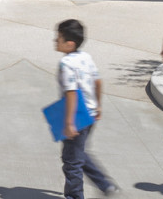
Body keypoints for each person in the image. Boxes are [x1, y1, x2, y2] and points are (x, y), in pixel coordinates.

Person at [55, 18, 117, 198]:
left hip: (76, 117)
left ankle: (75, 196)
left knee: (71, 161)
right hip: (89, 114)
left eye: (58, 38)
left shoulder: (66, 64)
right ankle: (105, 184)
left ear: (69, 43)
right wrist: (98, 106)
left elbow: (71, 93)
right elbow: (98, 82)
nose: (55, 41)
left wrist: (68, 123)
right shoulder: (86, 57)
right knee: (78, 153)